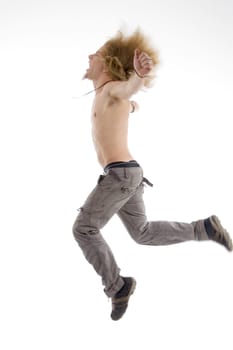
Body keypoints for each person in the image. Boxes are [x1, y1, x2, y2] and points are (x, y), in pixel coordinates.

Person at [72, 29, 232, 321]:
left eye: (95, 54)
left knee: (83, 229)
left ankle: (117, 286)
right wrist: (132, 104)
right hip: (128, 174)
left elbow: (127, 90)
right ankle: (204, 229)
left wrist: (138, 77)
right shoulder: (107, 96)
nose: (89, 56)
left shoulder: (111, 89)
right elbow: (129, 101)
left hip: (121, 176)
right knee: (142, 233)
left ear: (107, 65)